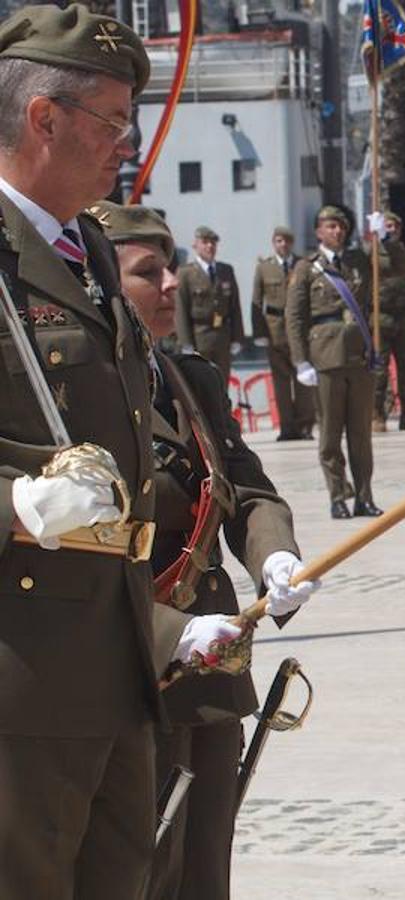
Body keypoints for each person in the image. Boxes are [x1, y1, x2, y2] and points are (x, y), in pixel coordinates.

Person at [0, 6, 239, 895]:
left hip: (120, 661)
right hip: (22, 674)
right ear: (44, 118)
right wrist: (15, 503)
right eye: (110, 123)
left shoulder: (89, 248)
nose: (124, 147)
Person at [90, 201, 318, 900]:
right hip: (135, 664)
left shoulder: (190, 378)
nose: (171, 285)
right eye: (147, 272)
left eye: (172, 267)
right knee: (141, 866)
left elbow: (246, 490)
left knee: (204, 862)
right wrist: (172, 631)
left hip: (214, 664)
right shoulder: (87, 390)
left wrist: (275, 556)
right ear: (102, 285)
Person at [286, 205, 383, 519]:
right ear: (318, 232)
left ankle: (364, 497)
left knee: (360, 435)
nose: (337, 231)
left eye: (341, 226)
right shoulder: (306, 268)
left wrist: (382, 238)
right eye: (330, 226)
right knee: (330, 435)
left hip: (359, 357)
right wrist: (300, 361)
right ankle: (338, 496)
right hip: (325, 359)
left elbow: (391, 270)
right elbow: (295, 317)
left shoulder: (358, 262)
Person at [251, 224, 315, 440]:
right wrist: (259, 332)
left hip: (299, 328)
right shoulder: (264, 268)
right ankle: (287, 428)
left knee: (303, 378)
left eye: (287, 241)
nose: (283, 244)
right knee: (280, 382)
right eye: (279, 240)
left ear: (292, 243)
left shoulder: (302, 265)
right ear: (273, 243)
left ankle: (305, 426)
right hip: (274, 327)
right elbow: (256, 301)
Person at [371, 211, 405, 432]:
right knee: (379, 370)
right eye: (387, 226)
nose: (390, 230)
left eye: (394, 226)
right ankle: (377, 415)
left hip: (403, 316)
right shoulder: (371, 251)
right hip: (379, 317)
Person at [175, 225, 243, 382]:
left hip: (222, 337)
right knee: (201, 385)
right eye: (205, 242)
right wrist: (186, 342)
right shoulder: (186, 273)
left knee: (222, 383)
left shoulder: (226, 270)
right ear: (195, 245)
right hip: (199, 337)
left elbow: (234, 307)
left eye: (213, 243)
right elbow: (181, 310)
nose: (210, 246)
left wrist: (237, 337)